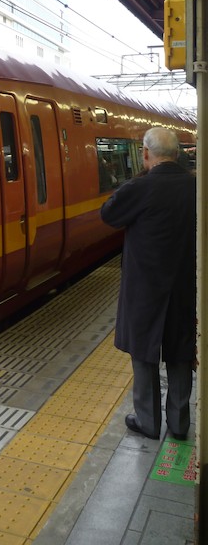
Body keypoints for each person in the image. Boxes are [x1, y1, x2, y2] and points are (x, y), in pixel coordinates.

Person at [100, 127, 196, 440]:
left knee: (144, 353)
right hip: (185, 286)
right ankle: (179, 424)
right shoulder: (195, 186)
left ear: (144, 154)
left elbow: (108, 214)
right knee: (180, 352)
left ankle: (148, 421)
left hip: (144, 289)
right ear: (178, 154)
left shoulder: (139, 187)